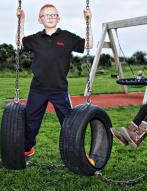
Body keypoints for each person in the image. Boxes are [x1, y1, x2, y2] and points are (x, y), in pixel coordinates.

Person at [16, 4, 93, 157]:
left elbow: (88, 44)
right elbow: (19, 42)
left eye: (53, 15)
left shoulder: (67, 37)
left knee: (69, 123)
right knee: (31, 122)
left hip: (60, 89)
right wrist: (21, 20)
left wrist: (89, 22)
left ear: (58, 18)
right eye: (46, 15)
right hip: (38, 88)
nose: (50, 17)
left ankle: (74, 151)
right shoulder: (36, 39)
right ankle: (27, 148)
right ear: (40, 20)